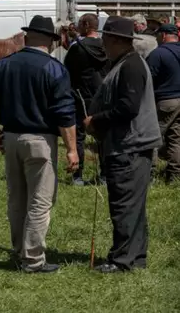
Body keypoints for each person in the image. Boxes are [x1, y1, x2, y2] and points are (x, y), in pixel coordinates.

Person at [0, 16, 78, 274]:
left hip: (11, 138)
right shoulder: (55, 69)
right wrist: (73, 149)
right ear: (51, 42)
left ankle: (20, 251)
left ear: (28, 37)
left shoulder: (4, 65)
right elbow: (65, 113)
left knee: (17, 199)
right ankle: (32, 259)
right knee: (40, 201)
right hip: (41, 140)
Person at [84, 16, 162, 273]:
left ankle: (122, 260)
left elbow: (128, 108)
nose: (103, 43)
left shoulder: (130, 66)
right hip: (129, 145)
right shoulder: (125, 63)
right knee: (133, 204)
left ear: (117, 40)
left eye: (106, 38)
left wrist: (96, 119)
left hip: (130, 146)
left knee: (124, 204)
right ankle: (135, 257)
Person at [63, 13, 109, 185]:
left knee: (79, 137)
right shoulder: (106, 46)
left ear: (86, 25)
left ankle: (78, 176)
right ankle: (105, 175)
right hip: (104, 96)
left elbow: (67, 71)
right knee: (103, 137)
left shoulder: (77, 48)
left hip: (81, 96)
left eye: (80, 23)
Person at [147, 23, 180, 183]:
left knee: (152, 137)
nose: (157, 38)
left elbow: (147, 79)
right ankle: (174, 176)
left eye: (158, 35)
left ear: (164, 35)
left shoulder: (158, 53)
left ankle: (149, 174)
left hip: (165, 101)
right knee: (175, 138)